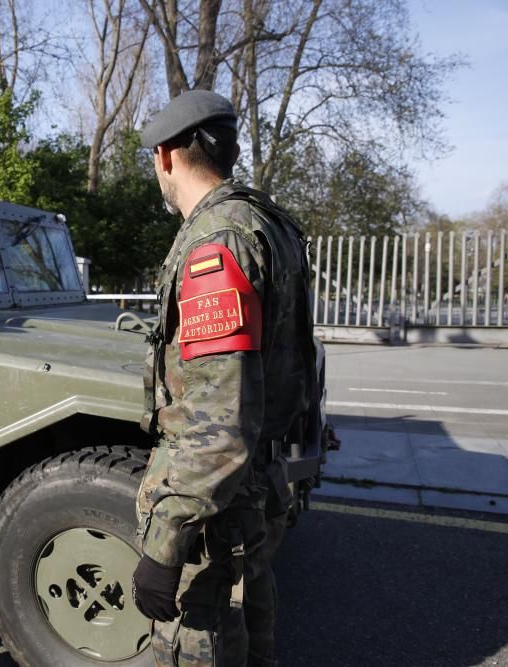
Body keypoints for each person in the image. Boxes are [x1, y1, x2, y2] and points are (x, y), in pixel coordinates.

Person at [131, 90, 317, 666]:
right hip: (259, 487)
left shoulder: (216, 241)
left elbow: (219, 418)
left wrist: (164, 545)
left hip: (219, 512)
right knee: (251, 632)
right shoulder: (267, 222)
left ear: (166, 156)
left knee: (201, 643)